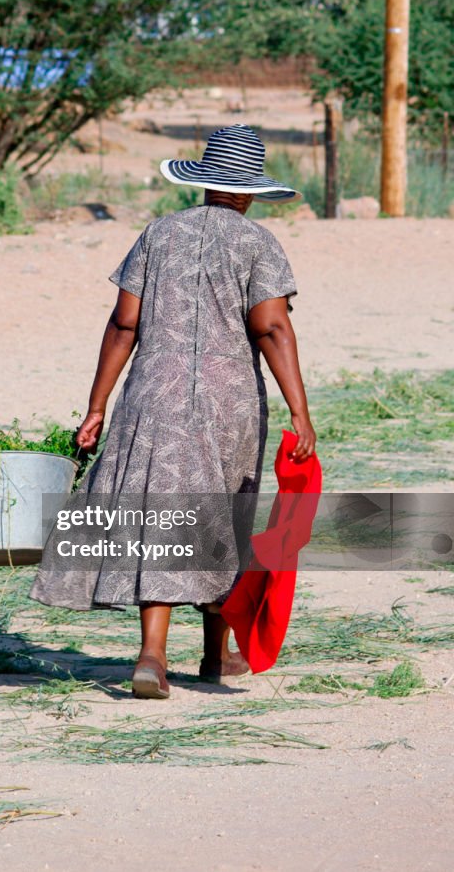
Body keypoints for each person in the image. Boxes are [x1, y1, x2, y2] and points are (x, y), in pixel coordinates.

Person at [30, 124, 316, 700]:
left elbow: (124, 322)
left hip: (151, 396)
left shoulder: (158, 234)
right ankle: (207, 655)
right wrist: (300, 412)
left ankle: (158, 654)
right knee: (223, 517)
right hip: (227, 402)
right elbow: (271, 326)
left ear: (206, 181)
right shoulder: (257, 244)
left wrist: (96, 406)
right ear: (250, 190)